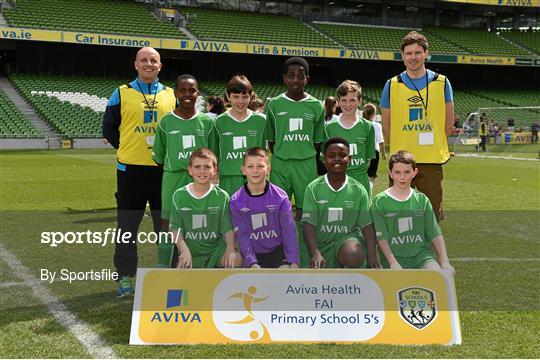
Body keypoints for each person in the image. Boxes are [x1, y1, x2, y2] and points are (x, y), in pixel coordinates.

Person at [102, 47, 176, 297]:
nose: (148, 64)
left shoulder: (171, 95)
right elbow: (109, 129)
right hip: (130, 172)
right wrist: (129, 150)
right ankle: (124, 278)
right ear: (135, 64)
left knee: (165, 226)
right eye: (144, 60)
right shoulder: (121, 93)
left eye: (153, 60)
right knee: (126, 227)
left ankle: (167, 273)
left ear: (160, 65)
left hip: (163, 172)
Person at [380, 31, 454, 222]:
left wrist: (436, 145)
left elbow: (448, 123)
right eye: (408, 53)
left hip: (431, 160)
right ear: (403, 56)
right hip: (401, 162)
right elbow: (386, 126)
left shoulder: (442, 82)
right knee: (400, 215)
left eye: (417, 52)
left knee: (432, 214)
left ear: (426, 53)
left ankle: (427, 251)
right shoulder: (392, 84)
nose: (413, 57)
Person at [264, 56, 325, 267]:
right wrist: (284, 153)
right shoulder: (274, 104)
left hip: (306, 164)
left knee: (305, 212)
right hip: (281, 164)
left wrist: (302, 153)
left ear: (307, 78)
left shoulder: (316, 106)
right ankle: (278, 254)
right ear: (284, 78)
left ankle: (304, 253)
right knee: (277, 211)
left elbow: (318, 141)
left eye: (300, 76)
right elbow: (271, 139)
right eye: (291, 76)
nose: (296, 80)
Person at [152, 74, 216, 268]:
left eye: (192, 90)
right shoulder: (166, 122)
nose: (187, 94)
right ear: (175, 93)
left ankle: (199, 264)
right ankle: (164, 265)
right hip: (173, 179)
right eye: (183, 90)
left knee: (200, 222)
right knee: (167, 223)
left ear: (198, 93)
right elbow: (159, 157)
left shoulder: (207, 122)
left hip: (201, 181)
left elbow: (213, 156)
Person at [372, 151, 455, 276]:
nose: (402, 177)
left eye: (407, 172)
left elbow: (434, 233)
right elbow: (381, 237)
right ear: (390, 174)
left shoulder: (422, 200)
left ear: (414, 172)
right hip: (394, 258)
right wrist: (393, 263)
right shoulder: (380, 201)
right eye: (397, 172)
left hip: (421, 257)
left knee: (436, 275)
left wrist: (444, 261)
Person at [301, 137, 379, 269]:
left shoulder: (358, 190)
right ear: (324, 159)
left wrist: (372, 255)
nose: (337, 159)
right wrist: (315, 252)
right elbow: (308, 224)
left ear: (350, 159)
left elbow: (367, 225)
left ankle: (351, 278)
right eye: (331, 156)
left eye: (342, 155)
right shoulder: (313, 188)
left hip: (345, 241)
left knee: (354, 255)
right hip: (320, 244)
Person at [169, 148, 243, 269]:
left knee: (237, 260)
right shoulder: (179, 195)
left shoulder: (222, 196)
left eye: (207, 167)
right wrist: (183, 250)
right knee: (182, 279)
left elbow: (228, 228)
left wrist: (230, 250)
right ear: (190, 170)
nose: (202, 171)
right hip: (191, 251)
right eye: (197, 167)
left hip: (216, 250)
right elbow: (175, 228)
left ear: (215, 170)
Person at [230, 147, 299, 268]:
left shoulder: (280, 197)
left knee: (286, 274)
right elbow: (242, 235)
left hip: (277, 251)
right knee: (255, 279)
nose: (255, 171)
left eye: (260, 166)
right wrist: (251, 262)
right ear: (243, 170)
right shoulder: (236, 201)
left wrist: (294, 260)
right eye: (250, 166)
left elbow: (289, 231)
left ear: (268, 169)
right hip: (253, 253)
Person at [214, 75, 266, 196]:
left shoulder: (261, 121)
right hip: (228, 178)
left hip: (255, 176)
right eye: (236, 96)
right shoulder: (219, 122)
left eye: (245, 96)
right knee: (229, 213)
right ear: (228, 96)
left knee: (255, 214)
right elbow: (214, 152)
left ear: (251, 95)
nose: (240, 101)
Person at [324, 80, 375, 197]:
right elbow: (325, 159)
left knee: (361, 215)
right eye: (344, 100)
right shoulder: (328, 128)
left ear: (360, 101)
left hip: (360, 180)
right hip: (337, 180)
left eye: (352, 100)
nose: (348, 104)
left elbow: (368, 160)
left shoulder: (368, 127)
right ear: (338, 102)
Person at [364, 103, 386, 192]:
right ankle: (368, 197)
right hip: (373, 152)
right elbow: (380, 140)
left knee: (362, 175)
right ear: (374, 113)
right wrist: (383, 153)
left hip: (362, 151)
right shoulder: (376, 125)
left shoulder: (360, 123)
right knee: (371, 176)